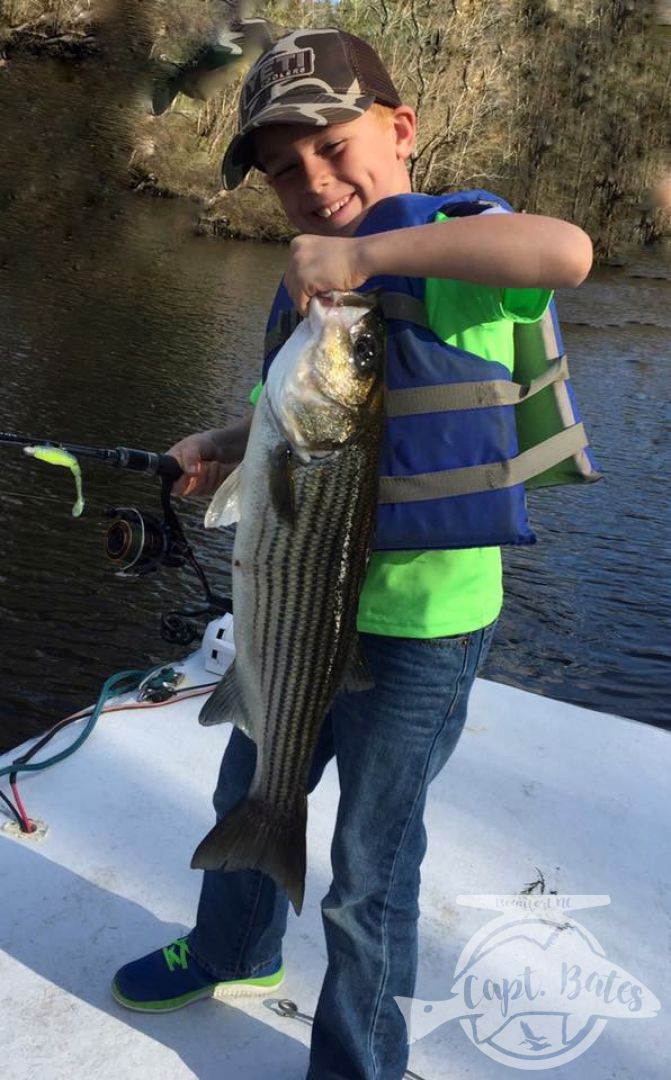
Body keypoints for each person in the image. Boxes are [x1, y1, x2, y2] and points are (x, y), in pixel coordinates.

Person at [112, 28, 593, 1080]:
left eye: (330, 146)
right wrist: (221, 446)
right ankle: (233, 946)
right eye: (282, 169)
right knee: (249, 784)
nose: (310, 181)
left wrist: (369, 255)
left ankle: (359, 1060)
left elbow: (564, 254)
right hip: (296, 616)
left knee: (370, 867)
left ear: (402, 129)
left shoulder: (453, 248)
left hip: (421, 633)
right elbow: (303, 421)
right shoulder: (311, 296)